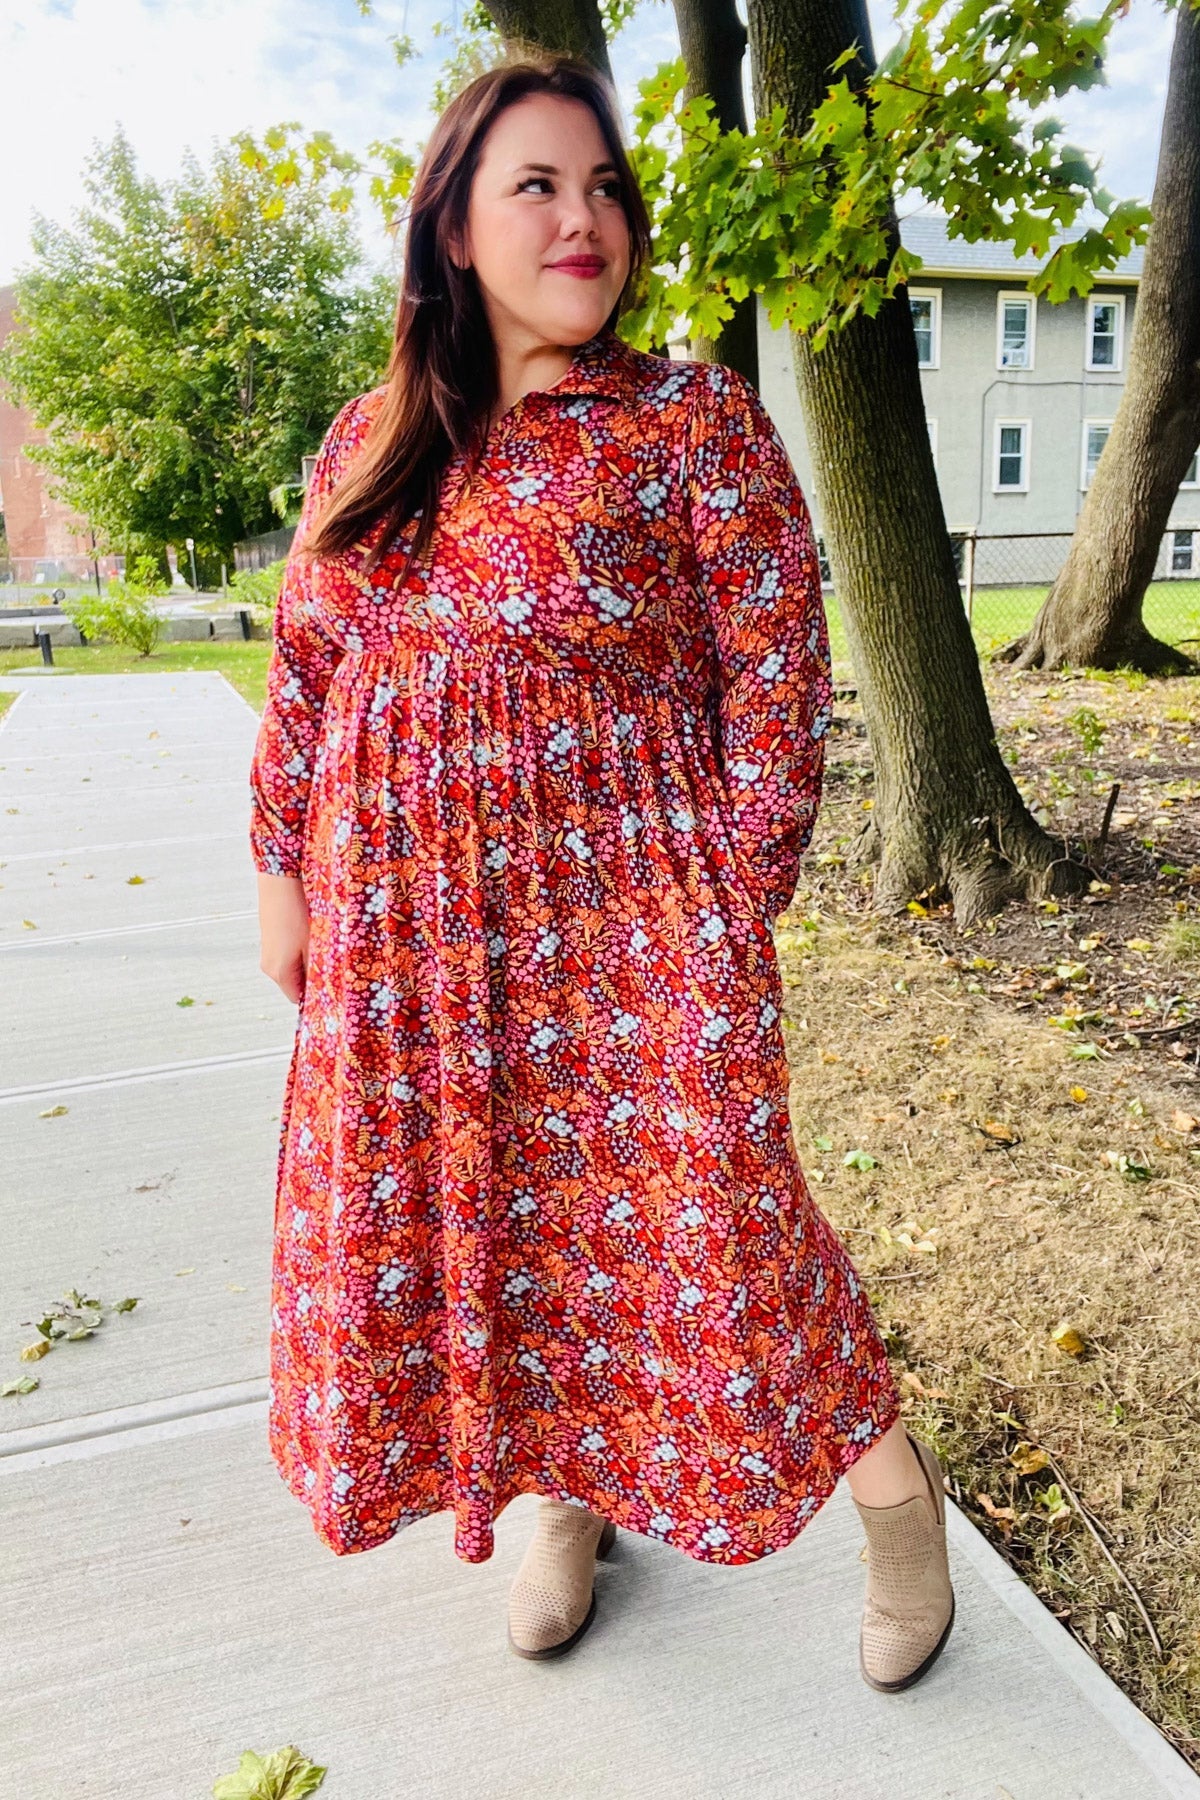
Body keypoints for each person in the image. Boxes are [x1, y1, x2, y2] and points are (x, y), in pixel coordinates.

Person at [249, 51, 954, 1691]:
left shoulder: (682, 420)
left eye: (606, 187)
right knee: (508, 1223)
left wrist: (725, 899)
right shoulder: (371, 443)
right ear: (454, 228)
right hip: (419, 941)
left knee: (729, 1226)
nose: (587, 219)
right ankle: (560, 1500)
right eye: (539, 187)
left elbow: (777, 674)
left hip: (634, 934)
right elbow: (306, 679)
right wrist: (285, 872)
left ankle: (896, 1500)